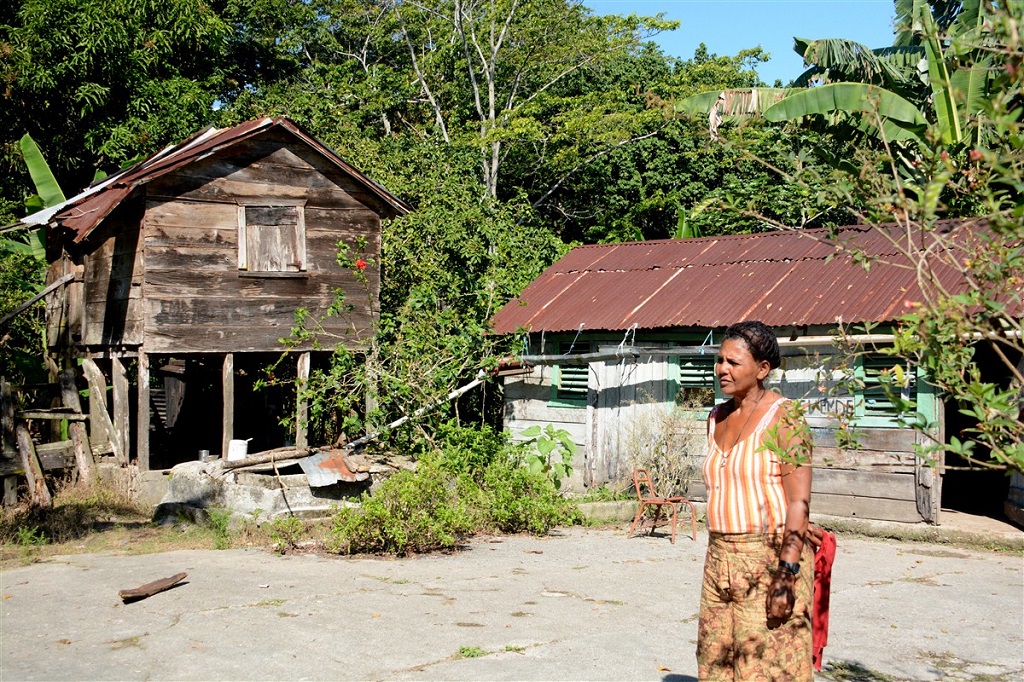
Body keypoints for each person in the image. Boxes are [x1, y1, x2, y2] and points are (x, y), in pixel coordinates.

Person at [696, 320, 814, 681]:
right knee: (714, 662)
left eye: (733, 362)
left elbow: (799, 503)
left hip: (768, 560)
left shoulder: (786, 418)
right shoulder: (716, 417)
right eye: (719, 361)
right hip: (719, 560)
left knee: (763, 668)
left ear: (762, 369)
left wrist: (786, 575)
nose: (722, 369)